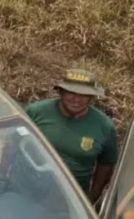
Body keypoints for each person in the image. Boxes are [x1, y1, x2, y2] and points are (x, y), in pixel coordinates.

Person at [26, 69, 118, 204]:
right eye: (71, 92)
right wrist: (1, 181)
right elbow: (12, 143)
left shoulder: (105, 126)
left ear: (92, 97)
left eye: (84, 94)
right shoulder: (36, 112)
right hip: (25, 188)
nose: (77, 99)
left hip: (69, 201)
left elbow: (106, 165)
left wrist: (92, 198)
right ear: (61, 91)